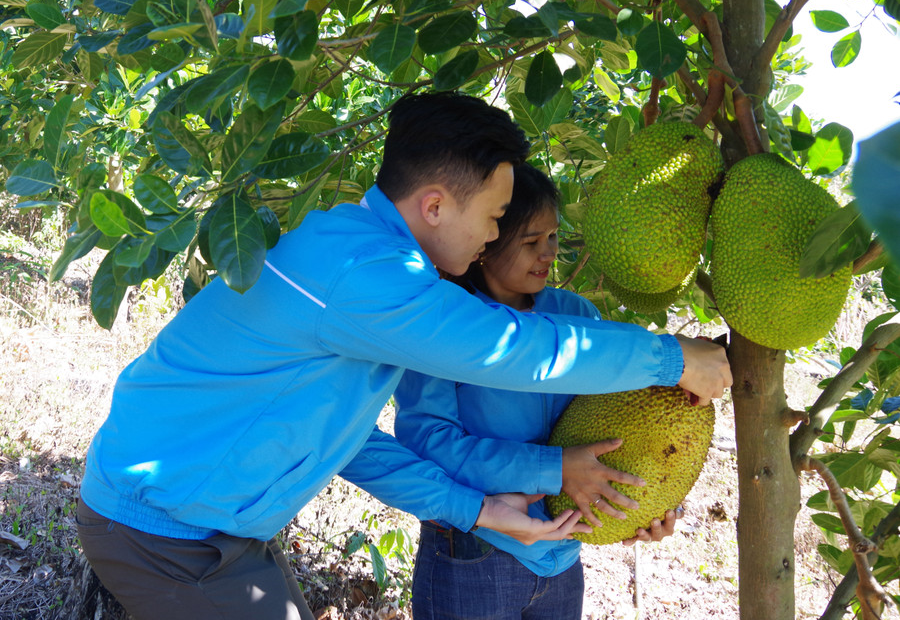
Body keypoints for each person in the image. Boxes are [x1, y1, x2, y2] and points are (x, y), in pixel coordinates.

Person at [75, 91, 732, 620]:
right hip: (162, 529)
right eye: (495, 215)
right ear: (437, 205)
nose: (495, 236)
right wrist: (672, 359)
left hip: (210, 526)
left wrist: (475, 510)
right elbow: (510, 351)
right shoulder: (364, 275)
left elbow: (352, 444)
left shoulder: (362, 265)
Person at [394, 163, 687, 619]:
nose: (548, 253)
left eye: (552, 237)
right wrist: (554, 469)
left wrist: (641, 507)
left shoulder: (579, 316)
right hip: (475, 549)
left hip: (563, 558)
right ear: (485, 240)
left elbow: (623, 426)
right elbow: (429, 444)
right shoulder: (443, 321)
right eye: (531, 241)